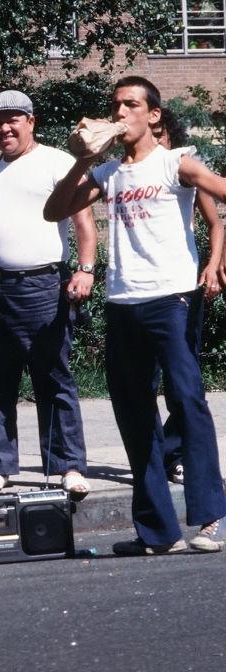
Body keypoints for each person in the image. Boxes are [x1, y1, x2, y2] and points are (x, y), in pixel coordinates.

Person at [44, 76, 226, 555]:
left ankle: (208, 519)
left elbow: (219, 192)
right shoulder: (107, 173)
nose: (121, 113)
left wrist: (217, 259)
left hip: (173, 298)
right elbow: (53, 210)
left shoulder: (174, 162)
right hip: (124, 303)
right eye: (116, 106)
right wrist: (83, 158)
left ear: (153, 115)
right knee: (133, 411)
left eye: (131, 105)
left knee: (187, 401)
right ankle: (157, 532)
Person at [0, 90, 96, 498]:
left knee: (53, 377)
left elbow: (83, 220)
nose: (3, 129)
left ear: (31, 121)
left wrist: (85, 269)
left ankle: (68, 467)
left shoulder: (58, 162)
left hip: (43, 285)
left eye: (12, 120)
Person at [150, 108, 225, 485]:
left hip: (181, 289)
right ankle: (153, 456)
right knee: (143, 384)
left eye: (161, 134)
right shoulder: (126, 175)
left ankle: (176, 452)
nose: (156, 141)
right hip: (139, 294)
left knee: (183, 381)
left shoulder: (183, 173)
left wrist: (213, 266)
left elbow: (215, 223)